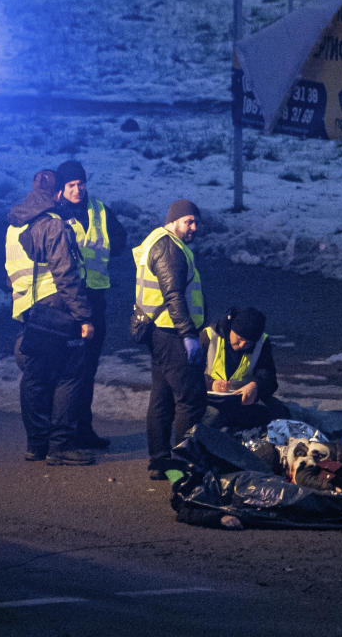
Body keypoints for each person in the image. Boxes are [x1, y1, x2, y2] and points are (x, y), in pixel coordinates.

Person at [5, 169, 96, 466]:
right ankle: (62, 446)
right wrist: (84, 317)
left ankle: (36, 445)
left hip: (27, 309)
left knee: (34, 377)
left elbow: (11, 272)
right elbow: (67, 275)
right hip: (55, 308)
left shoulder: (14, 225)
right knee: (69, 376)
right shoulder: (54, 225)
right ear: (57, 194)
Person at [54, 160, 127, 451]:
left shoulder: (98, 208)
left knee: (87, 371)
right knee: (67, 372)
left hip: (95, 299)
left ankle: (82, 430)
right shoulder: (55, 213)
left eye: (80, 183)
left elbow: (119, 239)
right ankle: (63, 433)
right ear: (62, 187)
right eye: (71, 185)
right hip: (67, 301)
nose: (77, 189)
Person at [132, 199, 206, 480]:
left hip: (160, 332)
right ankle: (183, 465)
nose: (194, 228)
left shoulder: (159, 241)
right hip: (171, 333)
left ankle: (161, 462)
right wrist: (188, 334)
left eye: (196, 222)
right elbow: (173, 294)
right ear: (173, 220)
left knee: (162, 397)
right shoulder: (168, 248)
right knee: (190, 400)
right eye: (188, 222)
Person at [199, 306, 290, 431]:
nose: (242, 345)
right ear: (231, 329)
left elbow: (269, 379)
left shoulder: (261, 344)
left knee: (279, 412)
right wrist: (211, 384)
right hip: (209, 399)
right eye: (239, 339)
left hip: (241, 401)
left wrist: (256, 386)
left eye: (248, 343)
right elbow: (187, 374)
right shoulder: (209, 336)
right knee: (213, 416)